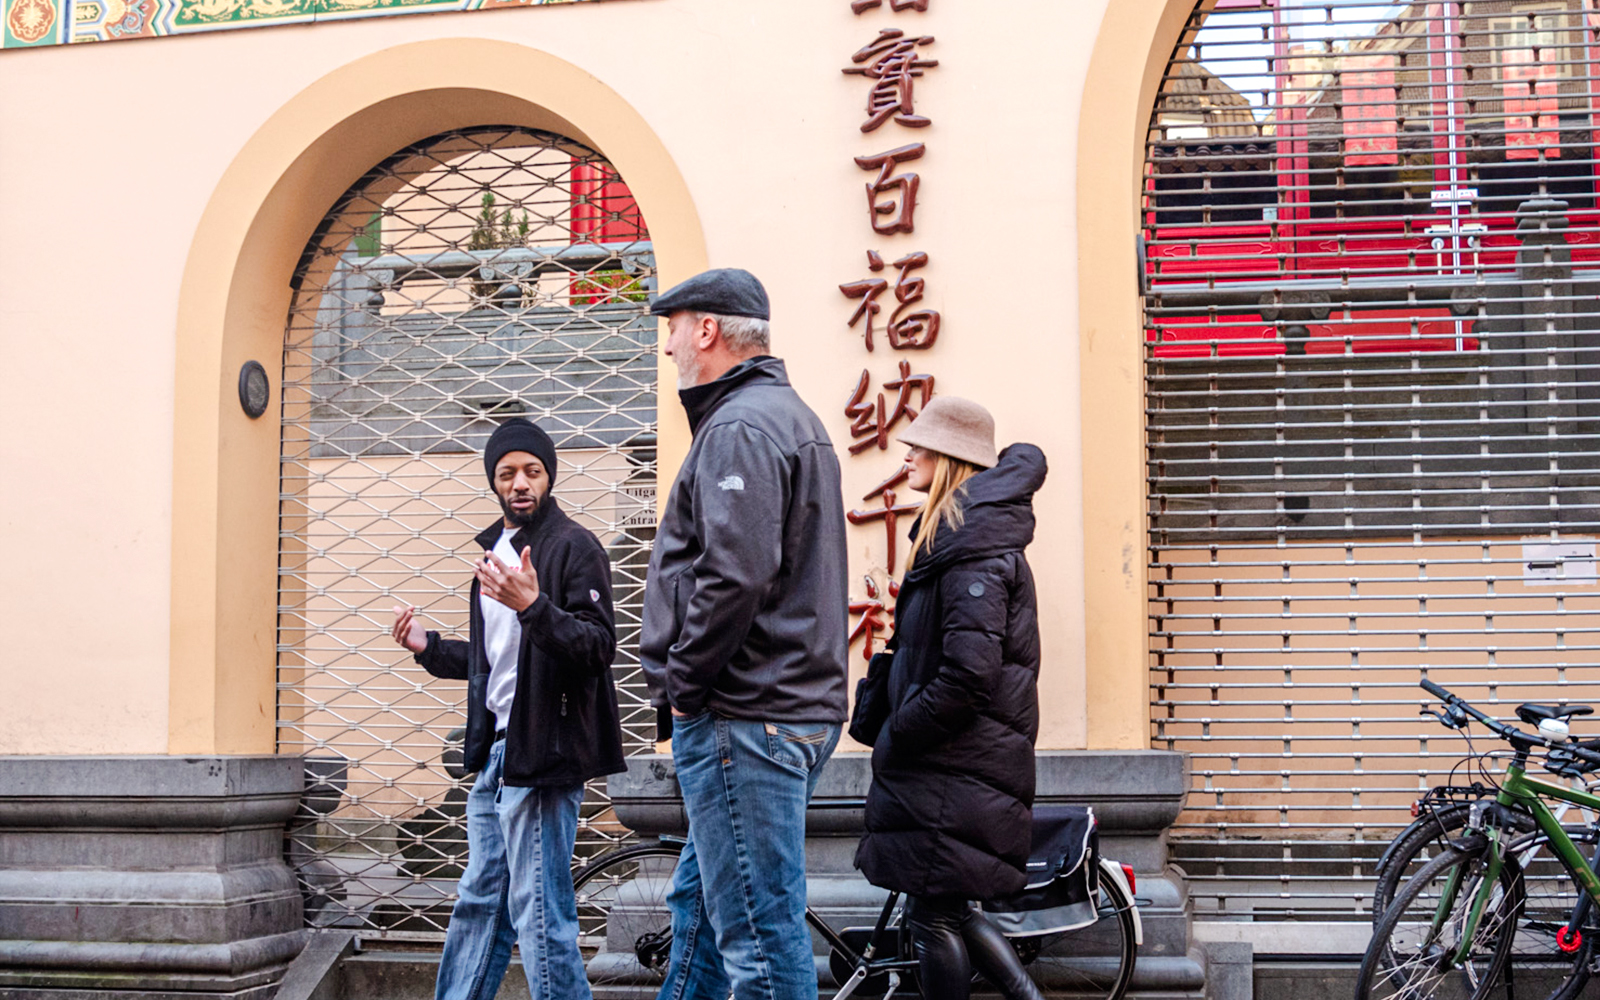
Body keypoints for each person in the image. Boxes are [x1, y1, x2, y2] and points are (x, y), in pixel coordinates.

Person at [639, 267, 850, 1000]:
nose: (667, 348)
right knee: (699, 915)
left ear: (708, 330)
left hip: (746, 713)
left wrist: (687, 688)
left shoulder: (739, 426)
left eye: (674, 327)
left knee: (758, 940)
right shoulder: (784, 418)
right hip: (777, 708)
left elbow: (733, 575)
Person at [389, 417, 625, 1000]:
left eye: (532, 472)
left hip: (544, 754)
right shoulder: (493, 554)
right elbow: (498, 661)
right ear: (494, 483)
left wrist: (535, 604)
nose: (521, 484)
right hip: (498, 754)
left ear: (548, 477)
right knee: (480, 902)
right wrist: (430, 647)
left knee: (540, 912)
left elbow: (596, 648)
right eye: (507, 474)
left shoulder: (573, 546)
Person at [848, 396, 1049, 1000]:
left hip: (950, 767)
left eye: (920, 445)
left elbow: (968, 676)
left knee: (932, 917)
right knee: (951, 910)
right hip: (955, 766)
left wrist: (900, 731)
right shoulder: (960, 541)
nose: (906, 455)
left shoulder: (971, 550)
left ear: (951, 458)